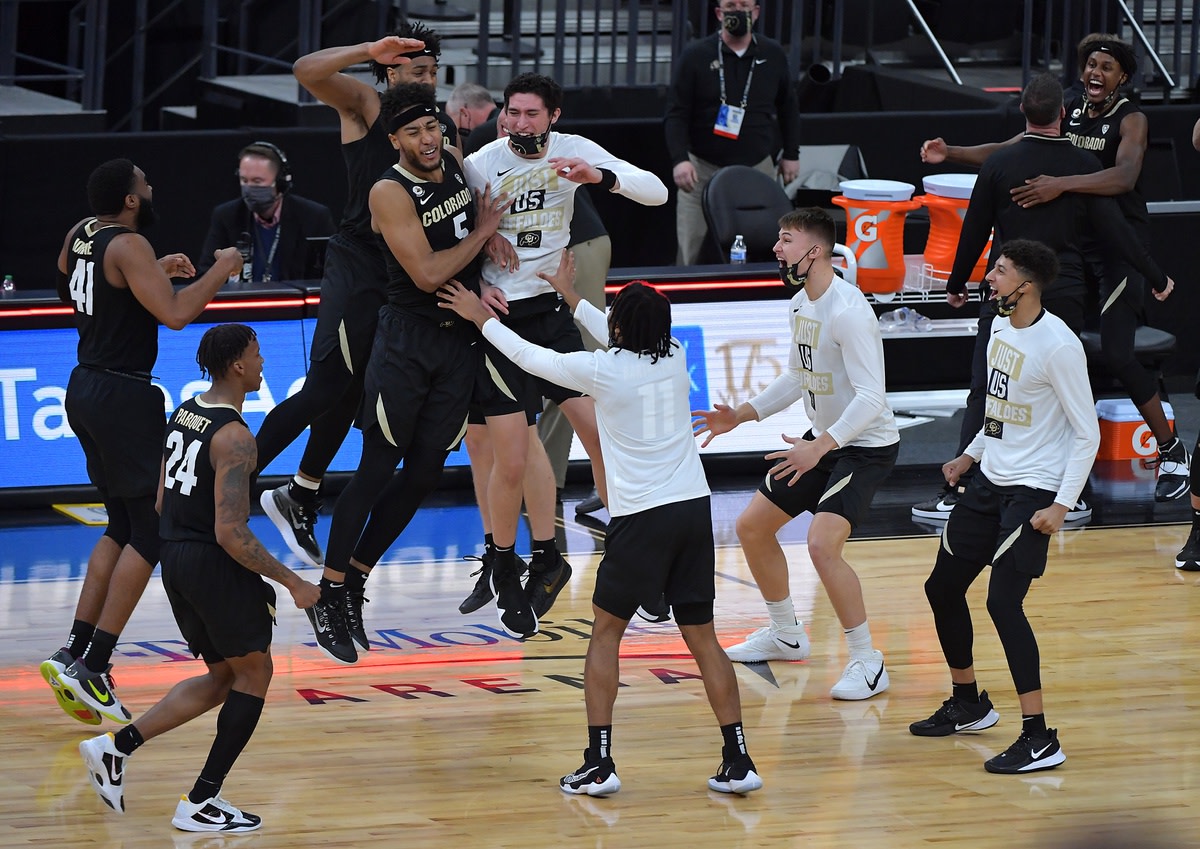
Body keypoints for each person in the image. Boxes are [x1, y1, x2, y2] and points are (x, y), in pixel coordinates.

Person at [439, 253, 763, 798]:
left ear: (619, 330)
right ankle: (738, 759)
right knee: (703, 639)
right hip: (693, 511)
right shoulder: (676, 355)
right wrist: (572, 298)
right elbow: (613, 325)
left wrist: (479, 316)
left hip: (642, 521)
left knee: (605, 635)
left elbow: (528, 355)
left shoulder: (603, 371)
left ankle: (599, 762)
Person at [917, 36, 1188, 518]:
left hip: (1122, 245)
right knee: (1021, 370)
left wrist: (1059, 184)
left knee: (1118, 353)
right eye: (1089, 64)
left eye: (1106, 66)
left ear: (1123, 76)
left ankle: (1171, 452)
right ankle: (1018, 476)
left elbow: (1123, 177)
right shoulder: (1073, 114)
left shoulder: (1132, 118)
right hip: (1080, 249)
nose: (1095, 72)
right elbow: (1014, 150)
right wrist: (952, 152)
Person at [78, 324, 321, 831]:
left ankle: (115, 748)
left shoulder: (184, 410)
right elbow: (231, 532)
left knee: (222, 677)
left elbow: (163, 499)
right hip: (212, 563)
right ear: (236, 365)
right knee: (255, 675)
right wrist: (291, 581)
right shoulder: (236, 437)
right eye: (256, 355)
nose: (261, 364)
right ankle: (201, 802)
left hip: (175, 557)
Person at [301, 83, 512, 663]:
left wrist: (490, 268)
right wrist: (483, 235)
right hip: (407, 340)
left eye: (433, 128)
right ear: (392, 139)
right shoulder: (388, 190)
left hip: (457, 339)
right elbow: (425, 273)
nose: (428, 139)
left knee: (423, 475)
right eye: (414, 132)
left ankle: (357, 580)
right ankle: (329, 590)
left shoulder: (450, 165)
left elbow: (468, 243)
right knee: (375, 470)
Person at [463, 72, 668, 634]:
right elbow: (444, 240)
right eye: (512, 112)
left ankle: (632, 560)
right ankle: (506, 559)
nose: (519, 123)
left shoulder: (575, 151)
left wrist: (598, 177)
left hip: (552, 314)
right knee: (502, 450)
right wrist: (481, 256)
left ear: (554, 117)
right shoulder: (481, 163)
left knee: (599, 433)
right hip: (501, 320)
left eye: (531, 114)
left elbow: (658, 191)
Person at [41, 159, 242, 726]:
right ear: (130, 201)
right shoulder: (126, 243)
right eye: (145, 185)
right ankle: (95, 662)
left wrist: (148, 271)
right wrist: (221, 267)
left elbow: (70, 290)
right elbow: (178, 314)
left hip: (85, 384)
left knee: (121, 526)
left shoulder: (82, 232)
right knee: (152, 531)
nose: (151, 190)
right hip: (123, 395)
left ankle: (73, 651)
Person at [253, 22, 450, 570]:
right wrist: (367, 49)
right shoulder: (366, 101)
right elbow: (304, 71)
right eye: (417, 71)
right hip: (359, 263)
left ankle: (302, 493)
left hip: (400, 274)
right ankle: (228, 478)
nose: (428, 81)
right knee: (324, 388)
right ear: (391, 71)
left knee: (352, 392)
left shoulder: (435, 127)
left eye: (434, 71)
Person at [908, 239, 1099, 774]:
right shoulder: (996, 327)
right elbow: (999, 408)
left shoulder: (1058, 346)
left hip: (1036, 490)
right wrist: (969, 455)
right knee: (941, 587)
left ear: (1028, 285)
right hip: (991, 478)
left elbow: (1088, 433)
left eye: (1000, 270)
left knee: (1002, 603)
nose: (989, 277)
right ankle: (969, 703)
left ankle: (1039, 737)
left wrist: (1062, 505)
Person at [693, 207, 899, 700]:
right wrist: (741, 414)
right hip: (822, 441)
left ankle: (868, 661)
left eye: (785, 240)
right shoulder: (801, 304)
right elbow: (795, 377)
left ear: (815, 250)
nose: (777, 249)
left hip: (864, 447)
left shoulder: (849, 312)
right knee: (751, 526)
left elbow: (872, 399)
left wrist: (821, 447)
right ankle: (786, 634)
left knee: (822, 545)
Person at [664, 0, 800, 266]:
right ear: (719, 13)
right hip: (700, 171)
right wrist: (680, 159)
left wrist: (792, 154)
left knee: (770, 250)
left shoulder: (772, 54)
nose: (738, 11)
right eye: (731, 5)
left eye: (744, 5)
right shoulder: (695, 55)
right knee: (690, 251)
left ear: (756, 12)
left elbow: (789, 108)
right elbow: (676, 113)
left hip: (757, 170)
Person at [195, 141, 335, 283]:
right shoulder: (226, 216)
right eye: (244, 180)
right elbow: (204, 277)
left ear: (281, 183)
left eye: (257, 181)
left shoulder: (314, 217)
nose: (249, 188)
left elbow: (333, 276)